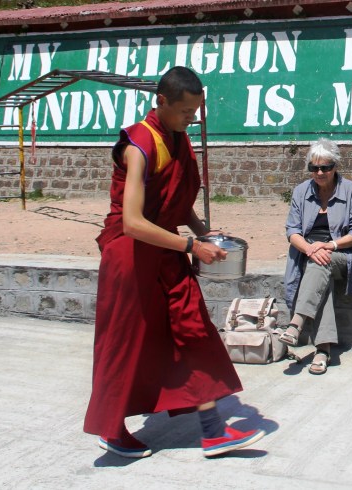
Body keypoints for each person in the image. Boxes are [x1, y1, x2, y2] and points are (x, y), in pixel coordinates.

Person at [83, 67, 265, 458]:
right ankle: (112, 429)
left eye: (196, 111)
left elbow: (176, 204)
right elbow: (132, 222)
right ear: (161, 102)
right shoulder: (140, 144)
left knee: (195, 329)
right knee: (127, 343)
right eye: (185, 112)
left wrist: (202, 234)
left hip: (167, 251)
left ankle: (214, 431)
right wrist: (189, 246)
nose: (191, 119)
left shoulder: (177, 137)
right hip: (130, 257)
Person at [279, 138, 352, 375]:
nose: (319, 172)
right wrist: (310, 249)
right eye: (314, 168)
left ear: (335, 166)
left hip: (343, 253)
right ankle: (323, 350)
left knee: (322, 261)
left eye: (325, 167)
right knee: (319, 269)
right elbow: (292, 232)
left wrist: (328, 245)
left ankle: (296, 323)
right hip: (308, 255)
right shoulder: (301, 192)